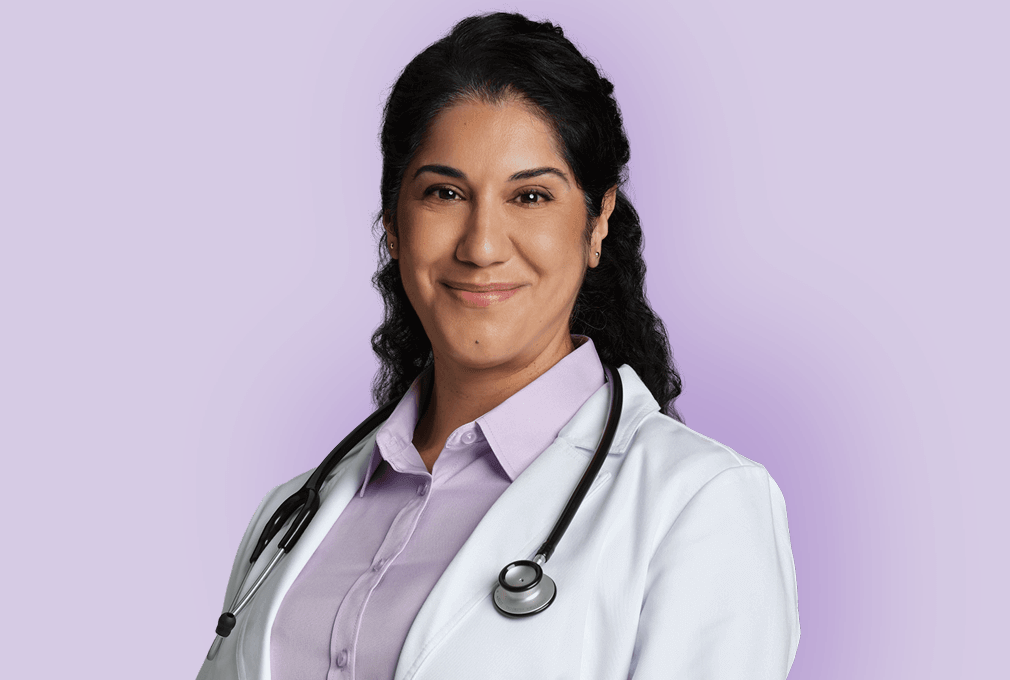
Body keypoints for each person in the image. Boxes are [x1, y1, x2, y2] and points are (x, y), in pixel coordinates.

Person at [196, 12, 799, 680]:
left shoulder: (699, 506)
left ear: (598, 222)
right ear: (394, 223)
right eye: (445, 193)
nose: (482, 245)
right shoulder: (290, 519)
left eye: (531, 196)